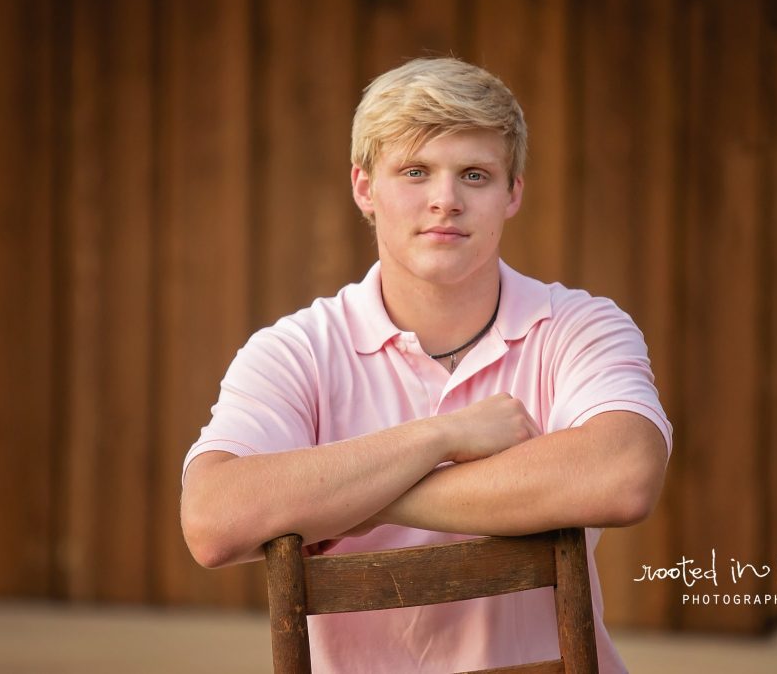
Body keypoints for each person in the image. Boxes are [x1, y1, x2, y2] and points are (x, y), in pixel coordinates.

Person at [181, 57, 671, 672]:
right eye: (415, 171)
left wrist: (362, 500)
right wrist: (442, 436)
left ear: (512, 192)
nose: (445, 200)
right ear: (364, 188)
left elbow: (623, 474)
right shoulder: (296, 350)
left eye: (474, 175)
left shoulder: (579, 327)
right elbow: (213, 519)